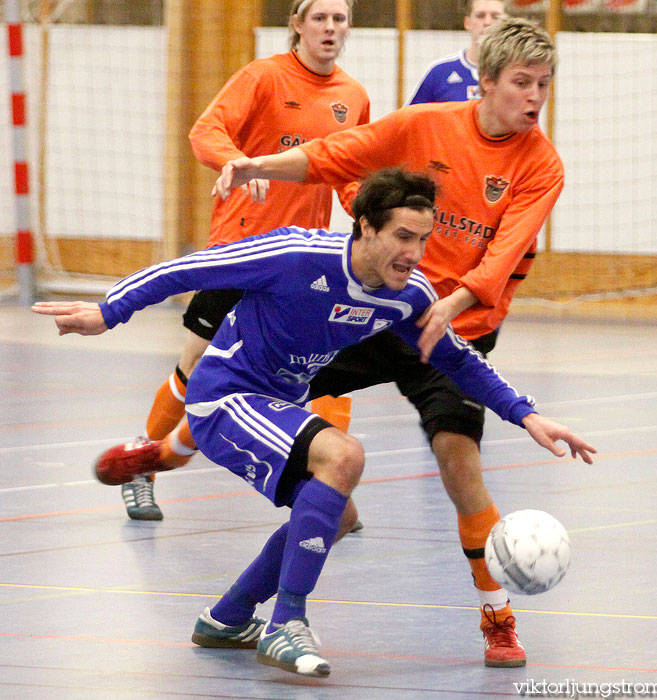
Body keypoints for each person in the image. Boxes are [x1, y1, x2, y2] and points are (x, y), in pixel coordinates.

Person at [32, 167, 596, 678]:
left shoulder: (408, 297)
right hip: (223, 397)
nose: (415, 253)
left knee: (339, 516)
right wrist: (107, 312)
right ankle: (286, 623)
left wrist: (529, 415)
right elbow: (189, 268)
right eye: (403, 237)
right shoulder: (296, 256)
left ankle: (227, 618)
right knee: (343, 455)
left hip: (275, 405)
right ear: (366, 229)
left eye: (424, 240)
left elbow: (455, 360)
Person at [210, 17, 562, 668]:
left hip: (455, 331)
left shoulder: (541, 165)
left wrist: (451, 303)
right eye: (521, 83)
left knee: (462, 473)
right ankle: (165, 446)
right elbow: (335, 154)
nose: (535, 96)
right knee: (263, 384)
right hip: (380, 312)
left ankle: (496, 616)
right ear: (485, 82)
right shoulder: (427, 122)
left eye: (543, 83)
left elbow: (503, 253)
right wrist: (254, 163)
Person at [120, 0, 370, 521]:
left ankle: (329, 487)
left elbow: (348, 173)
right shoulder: (262, 77)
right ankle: (141, 465)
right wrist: (237, 161)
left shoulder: (353, 96)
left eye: (339, 18)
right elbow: (204, 131)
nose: (330, 28)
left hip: (302, 264)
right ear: (297, 24)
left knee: (315, 370)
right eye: (319, 18)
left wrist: (373, 219)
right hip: (241, 248)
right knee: (194, 367)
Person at [405, 0, 507, 105]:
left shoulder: (515, 72)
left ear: (505, 24)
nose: (487, 22)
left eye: (495, 17)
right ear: (467, 23)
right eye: (480, 16)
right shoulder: (440, 72)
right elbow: (409, 118)